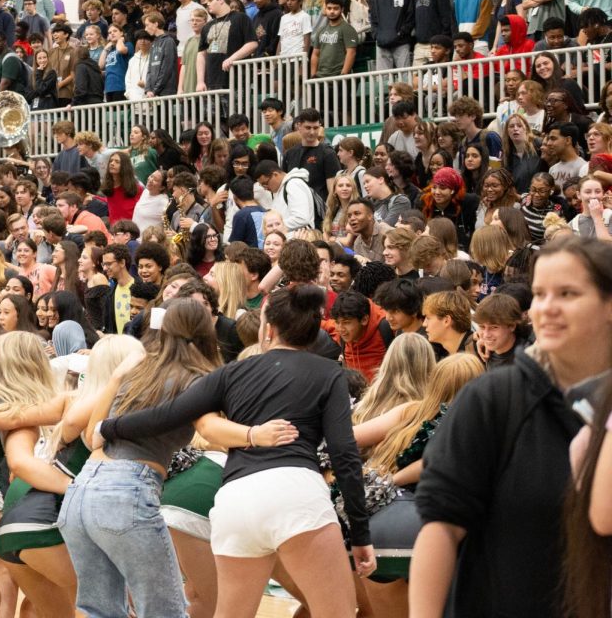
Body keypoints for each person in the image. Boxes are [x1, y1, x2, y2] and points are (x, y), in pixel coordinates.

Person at [100, 286, 374, 616]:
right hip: (297, 494)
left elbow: (166, 415)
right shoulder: (329, 373)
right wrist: (360, 533)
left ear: (268, 330)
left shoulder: (231, 372)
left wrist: (106, 428)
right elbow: (344, 453)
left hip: (236, 501)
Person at [411, 237, 608, 618]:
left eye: (567, 293)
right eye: (539, 294)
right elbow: (441, 528)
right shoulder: (492, 398)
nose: (547, 308)